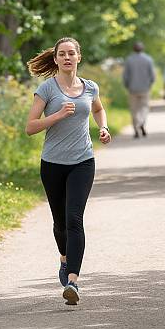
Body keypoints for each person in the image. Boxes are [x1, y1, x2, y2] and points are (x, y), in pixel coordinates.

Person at [25, 37, 111, 305]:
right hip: (52, 164)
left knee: (74, 219)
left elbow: (98, 109)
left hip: (83, 161)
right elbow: (30, 126)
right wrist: (58, 116)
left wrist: (103, 127)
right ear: (56, 59)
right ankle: (64, 258)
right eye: (62, 54)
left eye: (71, 53)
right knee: (60, 222)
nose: (66, 58)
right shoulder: (47, 89)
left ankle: (73, 281)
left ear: (78, 58)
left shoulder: (90, 87)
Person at [123, 41, 156, 138]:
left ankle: (136, 129)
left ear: (134, 49)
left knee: (134, 110)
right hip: (145, 88)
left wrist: (127, 85)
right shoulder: (148, 60)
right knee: (144, 108)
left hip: (132, 89)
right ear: (143, 49)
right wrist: (150, 84)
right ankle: (141, 122)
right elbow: (153, 76)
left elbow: (125, 76)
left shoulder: (129, 60)